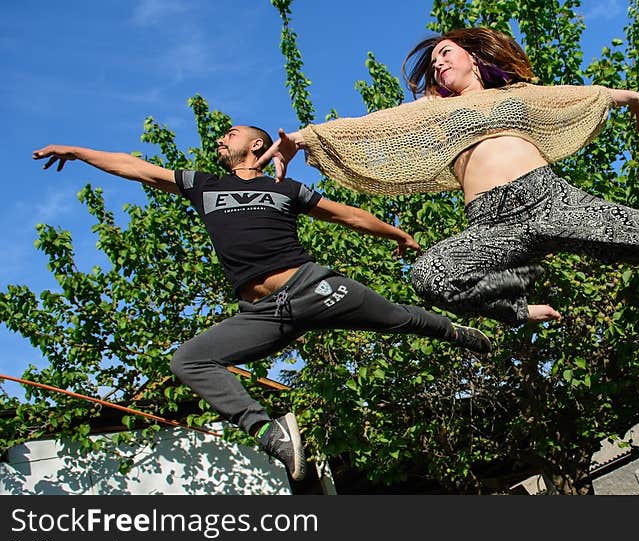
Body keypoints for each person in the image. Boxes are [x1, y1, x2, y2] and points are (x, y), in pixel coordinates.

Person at [32, 124, 492, 483]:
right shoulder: (203, 185)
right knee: (189, 361)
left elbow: (347, 215)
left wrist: (398, 233)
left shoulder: (285, 191)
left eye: (229, 134)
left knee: (399, 318)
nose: (220, 140)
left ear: (255, 145)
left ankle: (459, 333)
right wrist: (77, 152)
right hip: (263, 314)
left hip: (313, 287)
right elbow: (136, 167)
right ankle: (271, 434)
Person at [259, 27, 639, 326]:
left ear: (473, 58)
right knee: (430, 276)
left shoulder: (514, 96)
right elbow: (370, 125)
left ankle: (572, 240)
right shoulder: (432, 109)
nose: (439, 62)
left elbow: (572, 95)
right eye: (434, 61)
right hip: (492, 223)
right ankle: (521, 303)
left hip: (550, 200)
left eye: (446, 52)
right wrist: (302, 138)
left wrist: (626, 98)